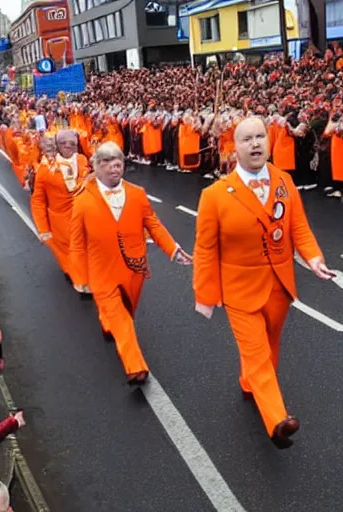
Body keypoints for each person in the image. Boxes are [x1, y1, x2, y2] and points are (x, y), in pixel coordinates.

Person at [193, 117, 335, 449]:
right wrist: (205, 293)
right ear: (234, 146)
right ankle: (277, 420)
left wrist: (314, 259)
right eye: (247, 139)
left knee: (271, 346)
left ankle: (249, 383)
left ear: (268, 142)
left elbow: (298, 227)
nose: (255, 143)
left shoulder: (284, 181)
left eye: (260, 137)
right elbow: (205, 249)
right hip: (239, 289)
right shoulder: (215, 195)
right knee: (256, 353)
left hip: (279, 285)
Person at [70, 142, 192, 384]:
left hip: (134, 268)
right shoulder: (82, 200)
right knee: (122, 320)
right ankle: (135, 367)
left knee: (127, 312)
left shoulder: (137, 194)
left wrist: (174, 250)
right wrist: (79, 278)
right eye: (110, 164)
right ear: (98, 166)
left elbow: (153, 225)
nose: (116, 169)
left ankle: (108, 324)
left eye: (120, 164)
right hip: (101, 271)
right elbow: (76, 242)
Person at [30, 129, 90, 288]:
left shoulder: (82, 160)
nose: (68, 146)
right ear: (57, 145)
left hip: (83, 216)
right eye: (64, 143)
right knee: (69, 256)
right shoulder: (45, 168)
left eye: (72, 143)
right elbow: (38, 200)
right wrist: (43, 228)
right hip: (61, 221)